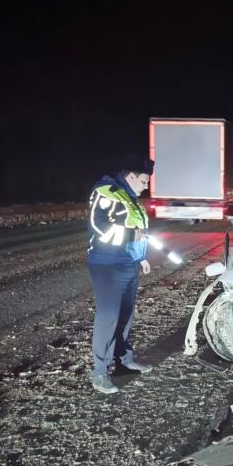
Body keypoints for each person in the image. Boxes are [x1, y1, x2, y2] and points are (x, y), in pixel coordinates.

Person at [86, 153, 155, 394]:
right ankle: (100, 373)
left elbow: (137, 230)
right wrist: (129, 237)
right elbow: (98, 226)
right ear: (132, 176)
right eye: (145, 181)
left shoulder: (129, 196)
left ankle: (124, 362)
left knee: (125, 316)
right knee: (108, 318)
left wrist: (141, 257)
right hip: (107, 264)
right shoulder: (107, 192)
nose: (147, 186)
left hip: (128, 263)